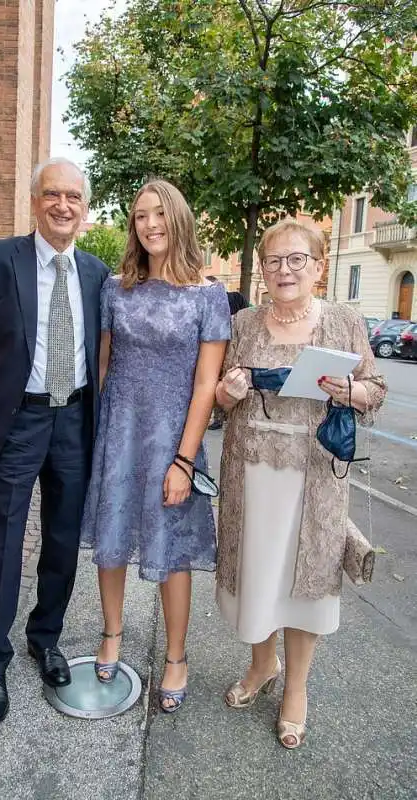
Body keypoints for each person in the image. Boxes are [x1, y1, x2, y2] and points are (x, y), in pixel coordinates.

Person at [215, 220, 386, 748]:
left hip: (314, 479)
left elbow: (376, 391)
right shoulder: (243, 322)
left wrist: (355, 390)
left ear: (318, 267)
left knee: (304, 582)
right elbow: (220, 396)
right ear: (262, 269)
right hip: (252, 475)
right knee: (258, 577)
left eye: (296, 260)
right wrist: (228, 390)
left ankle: (296, 688)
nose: (283, 270)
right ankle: (261, 665)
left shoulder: (343, 322)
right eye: (273, 260)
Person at [0, 157, 109, 725]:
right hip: (18, 422)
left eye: (73, 196)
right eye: (52, 195)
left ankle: (47, 637)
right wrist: (0, 390)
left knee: (63, 540)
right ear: (34, 201)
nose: (62, 206)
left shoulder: (96, 272)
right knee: (2, 542)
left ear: (84, 208)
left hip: (74, 422)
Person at [81, 179, 230, 713]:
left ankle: (176, 657)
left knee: (173, 553)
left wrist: (184, 462)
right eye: (140, 216)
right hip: (119, 434)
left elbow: (206, 385)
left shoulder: (207, 294)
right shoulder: (116, 289)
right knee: (111, 537)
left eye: (159, 214)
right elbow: (102, 365)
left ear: (179, 219)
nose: (150, 225)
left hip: (174, 439)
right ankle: (112, 634)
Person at [206, 276, 249, 430]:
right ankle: (219, 416)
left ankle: (220, 416)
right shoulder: (211, 303)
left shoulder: (234, 298)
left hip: (231, 343)